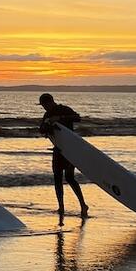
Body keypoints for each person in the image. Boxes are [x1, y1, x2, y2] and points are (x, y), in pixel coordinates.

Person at [38, 93, 88, 221]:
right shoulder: (47, 115)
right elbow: (41, 129)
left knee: (70, 178)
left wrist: (59, 118)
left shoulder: (64, 109)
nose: (44, 108)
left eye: (44, 105)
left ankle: (83, 205)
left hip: (70, 150)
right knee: (57, 178)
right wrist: (46, 127)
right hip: (58, 149)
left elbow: (77, 118)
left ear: (49, 102)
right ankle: (61, 207)